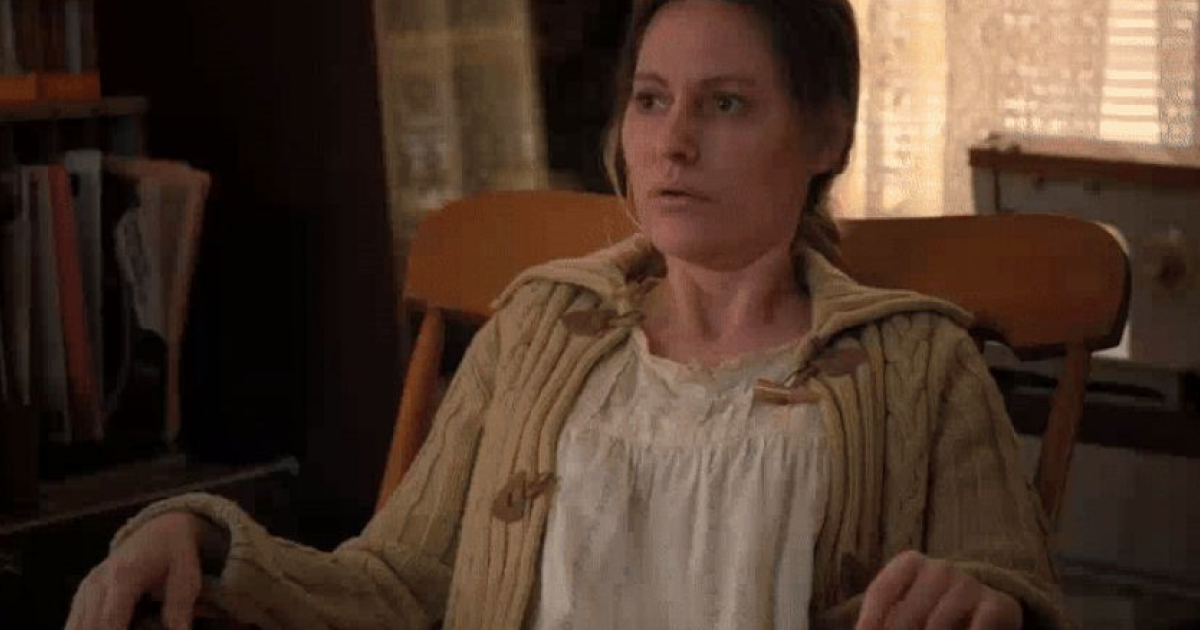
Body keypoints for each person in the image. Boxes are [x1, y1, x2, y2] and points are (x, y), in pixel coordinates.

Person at [68, 1, 1070, 628]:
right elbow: (396, 582)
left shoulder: (919, 361)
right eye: (650, 99)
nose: (672, 142)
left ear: (827, 136)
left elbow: (1012, 594)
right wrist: (204, 537)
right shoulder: (537, 330)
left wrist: (985, 602)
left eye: (725, 104)